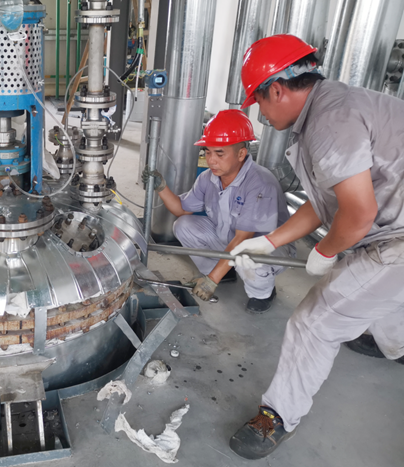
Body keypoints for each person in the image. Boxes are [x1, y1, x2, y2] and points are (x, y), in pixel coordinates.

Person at [228, 34, 404, 460]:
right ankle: (397, 346)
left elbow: (357, 215)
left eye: (258, 101)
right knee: (381, 295)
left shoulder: (329, 123)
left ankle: (277, 417)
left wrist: (324, 252)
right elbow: (327, 200)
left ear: (276, 90)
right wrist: (270, 241)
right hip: (393, 225)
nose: (261, 113)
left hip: (397, 236)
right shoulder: (332, 105)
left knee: (315, 321)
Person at [142, 109, 294, 313]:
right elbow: (182, 209)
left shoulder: (259, 183)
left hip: (266, 248)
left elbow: (243, 239)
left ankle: (263, 293)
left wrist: (211, 281)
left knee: (247, 255)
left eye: (219, 153)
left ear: (241, 154)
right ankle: (223, 272)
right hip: (230, 238)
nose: (211, 160)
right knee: (183, 225)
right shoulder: (208, 178)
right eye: (208, 152)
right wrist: (161, 187)